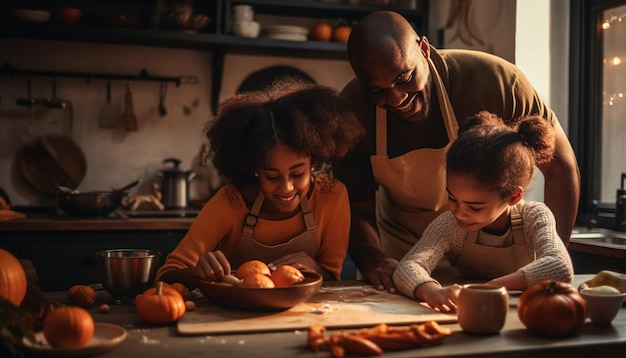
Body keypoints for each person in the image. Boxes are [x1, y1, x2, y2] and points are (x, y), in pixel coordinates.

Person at [332, 11, 580, 292]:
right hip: (406, 264)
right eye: (377, 91)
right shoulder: (351, 113)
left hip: (513, 277)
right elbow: (355, 205)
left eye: (404, 77)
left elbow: (560, 168)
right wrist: (373, 260)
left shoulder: (496, 82)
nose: (396, 98)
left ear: (424, 49)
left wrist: (548, 267)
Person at [155, 78, 365, 289]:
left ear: (314, 161)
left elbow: (333, 281)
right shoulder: (231, 202)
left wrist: (316, 267)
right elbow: (164, 277)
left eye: (297, 173)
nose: (286, 188)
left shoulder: (331, 197)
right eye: (272, 176)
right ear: (254, 168)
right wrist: (198, 273)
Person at [393, 111, 574, 312]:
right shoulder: (450, 225)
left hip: (526, 312)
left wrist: (487, 289)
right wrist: (431, 291)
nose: (459, 213)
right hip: (470, 309)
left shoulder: (534, 216)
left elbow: (559, 266)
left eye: (474, 206)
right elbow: (408, 267)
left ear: (513, 197)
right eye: (452, 198)